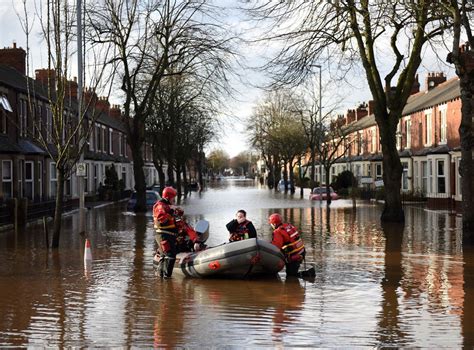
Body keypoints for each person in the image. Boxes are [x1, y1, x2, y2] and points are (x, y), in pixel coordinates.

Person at [153, 186, 202, 278]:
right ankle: (166, 278)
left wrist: (196, 241)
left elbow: (189, 229)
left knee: (173, 253)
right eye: (173, 198)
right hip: (163, 235)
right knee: (170, 256)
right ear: (168, 197)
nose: (177, 214)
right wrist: (171, 210)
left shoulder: (177, 220)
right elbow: (162, 219)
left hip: (172, 238)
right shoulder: (160, 206)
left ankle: (164, 276)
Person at [268, 213, 305, 277]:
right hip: (302, 252)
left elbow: (276, 247)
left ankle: (309, 275)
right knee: (292, 274)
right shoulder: (289, 225)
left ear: (274, 224)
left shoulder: (277, 232)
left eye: (271, 224)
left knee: (291, 276)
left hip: (294, 256)